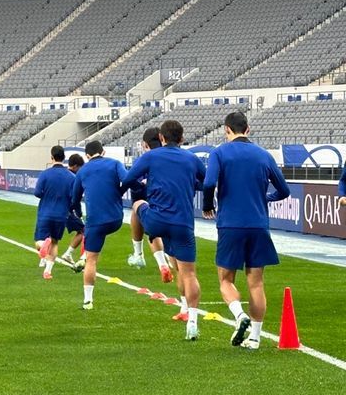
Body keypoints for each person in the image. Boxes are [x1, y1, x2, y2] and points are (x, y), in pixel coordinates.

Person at [203, 111, 291, 350]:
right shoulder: (263, 155)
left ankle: (239, 315)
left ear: (227, 130)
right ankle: (255, 338)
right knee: (256, 283)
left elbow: (209, 183)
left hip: (231, 223)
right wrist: (266, 197)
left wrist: (207, 205)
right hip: (258, 224)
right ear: (248, 129)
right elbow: (284, 190)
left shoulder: (219, 152)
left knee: (225, 279)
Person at [123, 120, 206, 341]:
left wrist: (145, 183)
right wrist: (190, 185)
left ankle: (138, 254)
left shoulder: (150, 157)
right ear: (182, 138)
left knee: (138, 205)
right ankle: (192, 322)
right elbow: (206, 183)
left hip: (157, 221)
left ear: (161, 138)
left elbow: (129, 179)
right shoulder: (191, 159)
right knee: (188, 273)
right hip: (183, 223)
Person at [70, 141, 126, 310]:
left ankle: (88, 301)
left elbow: (74, 197)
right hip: (115, 219)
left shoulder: (83, 171)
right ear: (103, 151)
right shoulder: (115, 163)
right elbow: (128, 180)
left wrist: (78, 214)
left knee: (92, 260)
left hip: (95, 222)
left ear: (87, 156)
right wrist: (119, 193)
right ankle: (140, 252)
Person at [127, 127, 175, 287]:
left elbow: (130, 181)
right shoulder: (175, 157)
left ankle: (141, 255)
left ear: (144, 144)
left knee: (139, 210)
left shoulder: (146, 159)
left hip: (152, 203)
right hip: (177, 208)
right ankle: (169, 259)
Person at [34, 145, 76, 280]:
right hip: (61, 214)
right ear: (64, 158)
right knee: (55, 242)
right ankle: (47, 271)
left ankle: (43, 245)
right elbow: (74, 197)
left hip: (45, 212)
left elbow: (37, 193)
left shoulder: (45, 174)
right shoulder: (71, 177)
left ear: (52, 157)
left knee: (39, 241)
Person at [58, 153, 86, 272]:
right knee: (83, 230)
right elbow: (75, 197)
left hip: (54, 208)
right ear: (75, 166)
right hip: (67, 209)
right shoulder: (73, 178)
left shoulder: (62, 174)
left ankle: (44, 258)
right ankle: (68, 254)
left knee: (52, 233)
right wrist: (78, 213)